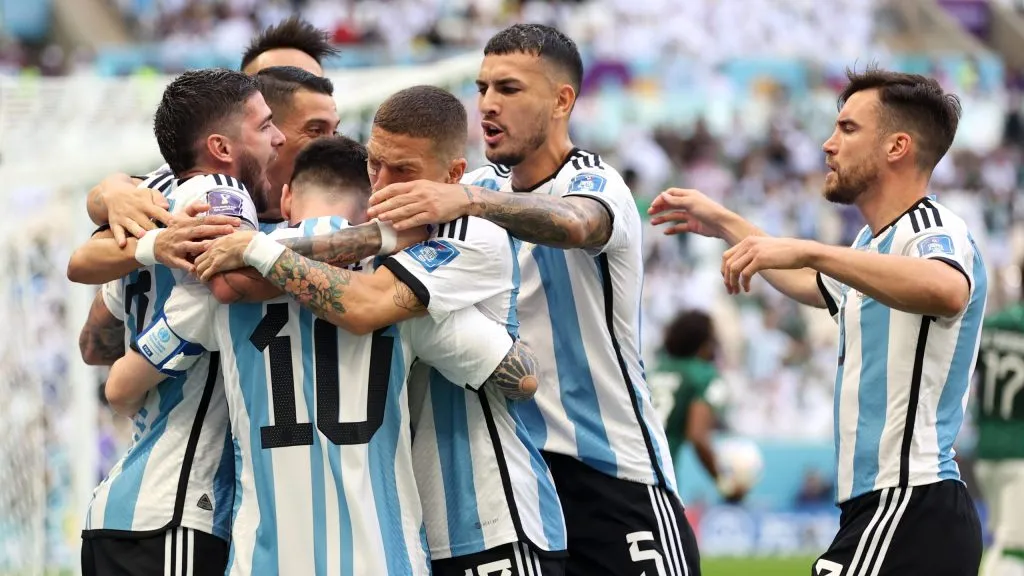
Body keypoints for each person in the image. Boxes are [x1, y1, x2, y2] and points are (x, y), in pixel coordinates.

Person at [106, 135, 541, 575]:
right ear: (372, 206)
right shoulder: (394, 286)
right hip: (385, 559)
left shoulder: (223, 282)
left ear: (287, 198)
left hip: (265, 561)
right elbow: (518, 377)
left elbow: (121, 389)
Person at [366, 24, 698, 576]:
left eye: (510, 89)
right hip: (519, 479)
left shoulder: (595, 183)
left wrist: (470, 199)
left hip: (611, 471)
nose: (489, 105)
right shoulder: (470, 185)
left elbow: (575, 225)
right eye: (482, 88)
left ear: (562, 100)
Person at [648, 67, 985, 576]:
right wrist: (728, 225)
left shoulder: (932, 227)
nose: (828, 144)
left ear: (897, 146)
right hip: (884, 507)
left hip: (911, 500)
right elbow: (812, 283)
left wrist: (809, 248)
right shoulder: (870, 246)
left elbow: (947, 289)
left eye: (847, 129)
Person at [79, 68, 285, 576]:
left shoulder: (151, 196)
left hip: (143, 508)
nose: (277, 138)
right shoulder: (223, 194)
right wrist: (133, 373)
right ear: (219, 146)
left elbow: (91, 328)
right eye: (264, 125)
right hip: (175, 511)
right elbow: (212, 297)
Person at [365, 85, 566, 575]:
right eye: (374, 164)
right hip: (412, 531)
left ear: (453, 174)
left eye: (404, 171)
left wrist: (260, 253)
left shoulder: (473, 230)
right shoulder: (371, 230)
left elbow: (363, 307)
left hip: (491, 520)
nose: (381, 185)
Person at [651, 310, 738, 501]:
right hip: (658, 478)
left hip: (624, 469)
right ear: (704, 343)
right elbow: (698, 436)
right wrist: (725, 484)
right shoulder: (705, 375)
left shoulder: (654, 370)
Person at [975, 266, 1024, 576]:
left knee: (1000, 539)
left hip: (986, 449)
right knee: (1014, 547)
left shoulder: (991, 326)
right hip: (1019, 452)